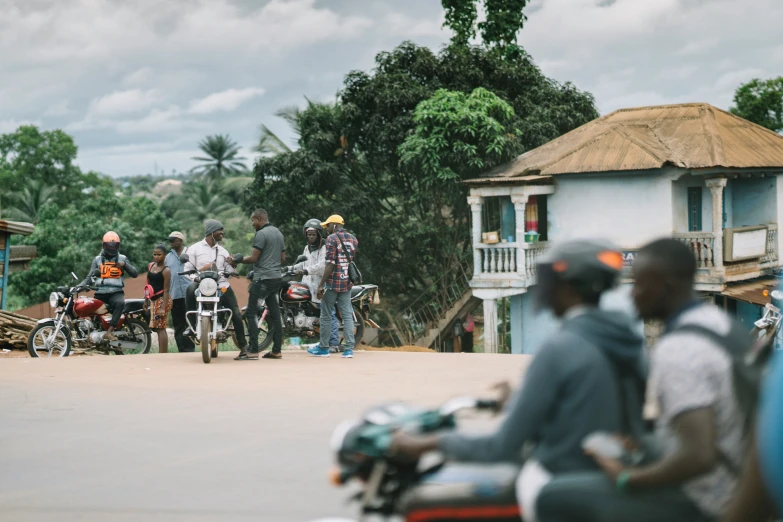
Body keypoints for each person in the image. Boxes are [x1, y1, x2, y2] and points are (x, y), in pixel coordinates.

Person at [391, 240, 647, 522]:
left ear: (567, 287)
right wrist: (519, 401)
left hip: (556, 478)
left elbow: (502, 445)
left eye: (550, 280)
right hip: (607, 472)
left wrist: (428, 442)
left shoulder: (561, 347)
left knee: (425, 506)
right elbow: (587, 409)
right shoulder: (626, 341)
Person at [537, 238, 747, 522]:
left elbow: (699, 455)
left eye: (638, 285)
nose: (631, 295)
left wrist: (629, 478)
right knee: (641, 444)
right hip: (746, 485)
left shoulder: (678, 350)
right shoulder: (722, 325)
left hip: (709, 502)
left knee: (553, 495)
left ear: (666, 287)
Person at [184, 219, 247, 356]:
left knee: (235, 312)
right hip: (202, 283)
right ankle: (191, 326)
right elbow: (188, 268)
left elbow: (229, 271)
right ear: (211, 232)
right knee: (189, 289)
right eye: (220, 230)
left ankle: (243, 348)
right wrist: (196, 277)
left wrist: (232, 265)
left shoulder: (223, 251)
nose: (222, 233)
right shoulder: (195, 249)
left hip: (221, 284)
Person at [232, 209, 286, 360]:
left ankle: (253, 350)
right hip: (276, 279)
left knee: (251, 312)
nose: (252, 224)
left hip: (262, 279)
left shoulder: (261, 234)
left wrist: (238, 260)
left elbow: (254, 258)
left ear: (260, 218)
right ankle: (276, 350)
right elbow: (282, 258)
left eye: (253, 220)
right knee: (275, 315)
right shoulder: (278, 233)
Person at [308, 215, 360, 359]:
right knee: (347, 315)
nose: (326, 230)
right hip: (346, 282)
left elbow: (330, 263)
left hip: (332, 283)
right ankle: (349, 349)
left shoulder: (331, 239)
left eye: (328, 226)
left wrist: (320, 285)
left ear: (335, 225)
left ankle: (324, 348)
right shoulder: (353, 239)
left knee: (325, 315)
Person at [292, 218, 339, 350]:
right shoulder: (307, 248)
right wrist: (290, 268)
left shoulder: (325, 247)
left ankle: (334, 342)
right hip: (307, 286)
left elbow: (322, 265)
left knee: (329, 313)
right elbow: (303, 262)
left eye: (313, 234)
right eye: (309, 234)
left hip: (321, 285)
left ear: (319, 234)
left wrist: (306, 270)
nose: (311, 237)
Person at [81, 231, 138, 341]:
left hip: (116, 292)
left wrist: (125, 265)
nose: (111, 248)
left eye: (114, 245)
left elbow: (135, 274)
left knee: (120, 303)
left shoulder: (122, 258)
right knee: (89, 307)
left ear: (118, 245)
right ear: (103, 245)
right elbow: (89, 278)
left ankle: (110, 331)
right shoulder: (97, 260)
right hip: (100, 292)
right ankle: (94, 332)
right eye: (109, 245)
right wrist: (80, 286)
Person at [165, 231, 194, 352]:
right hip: (175, 294)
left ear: (180, 241)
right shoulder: (168, 257)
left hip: (190, 293)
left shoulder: (190, 253)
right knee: (178, 323)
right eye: (170, 240)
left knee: (191, 321)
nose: (171, 243)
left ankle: (191, 348)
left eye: (173, 240)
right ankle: (182, 349)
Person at [145, 244, 171, 353]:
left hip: (162, 299)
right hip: (152, 299)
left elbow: (166, 290)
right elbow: (147, 284)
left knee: (161, 327)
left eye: (159, 255)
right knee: (156, 327)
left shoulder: (166, 270)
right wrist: (146, 300)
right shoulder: (151, 266)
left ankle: (163, 354)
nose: (156, 257)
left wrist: (162, 308)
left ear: (165, 255)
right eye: (155, 254)